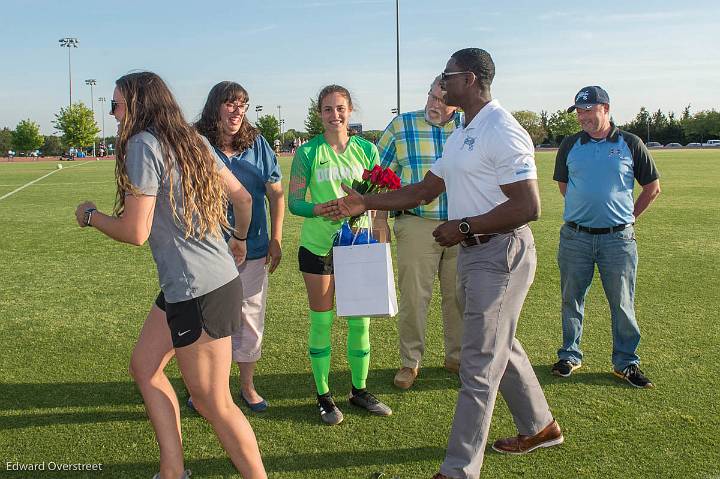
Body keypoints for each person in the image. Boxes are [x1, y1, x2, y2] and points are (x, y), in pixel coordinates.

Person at [326, 49, 562, 479]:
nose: (440, 82)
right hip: (476, 253)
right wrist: (365, 201)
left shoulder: (502, 129)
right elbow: (422, 191)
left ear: (468, 80)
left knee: (477, 365)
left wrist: (465, 227)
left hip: (501, 252)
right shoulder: (462, 133)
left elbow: (529, 206)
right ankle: (540, 426)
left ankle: (458, 470)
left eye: (446, 76)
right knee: (499, 345)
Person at [74, 71, 266, 479]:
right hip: (196, 284)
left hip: (198, 290)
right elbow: (243, 197)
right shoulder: (191, 140)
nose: (113, 114)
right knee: (145, 367)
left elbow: (135, 232)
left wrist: (90, 216)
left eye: (116, 105)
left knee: (214, 402)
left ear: (138, 105)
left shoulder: (143, 144)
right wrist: (240, 240)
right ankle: (173, 471)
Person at [288, 84, 392, 426]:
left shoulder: (367, 150)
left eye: (341, 108)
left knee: (360, 322)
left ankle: (359, 390)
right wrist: (320, 208)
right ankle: (323, 395)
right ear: (320, 114)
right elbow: (294, 202)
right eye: (328, 109)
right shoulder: (308, 153)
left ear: (351, 111)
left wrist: (380, 233)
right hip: (317, 246)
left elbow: (379, 199)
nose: (335, 115)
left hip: (358, 244)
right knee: (322, 320)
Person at [551, 86, 661, 388]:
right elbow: (564, 186)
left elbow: (652, 188)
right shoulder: (570, 144)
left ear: (606, 108)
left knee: (622, 302)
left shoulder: (630, 143)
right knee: (571, 299)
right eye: (579, 111)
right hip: (576, 237)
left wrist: (628, 219)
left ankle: (626, 362)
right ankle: (569, 355)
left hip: (618, 240)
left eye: (589, 110)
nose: (583, 117)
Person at [193, 81, 285, 412]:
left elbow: (276, 194)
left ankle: (246, 386)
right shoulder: (196, 142)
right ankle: (206, 388)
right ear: (215, 106)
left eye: (243, 105)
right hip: (207, 249)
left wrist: (277, 237)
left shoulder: (258, 144)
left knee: (250, 317)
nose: (237, 111)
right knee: (207, 319)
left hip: (254, 248)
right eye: (231, 103)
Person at [376, 76, 463, 389]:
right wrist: (380, 219)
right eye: (431, 97)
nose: (434, 105)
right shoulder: (401, 126)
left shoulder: (471, 126)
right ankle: (410, 362)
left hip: (463, 226)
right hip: (416, 223)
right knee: (414, 298)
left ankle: (457, 357)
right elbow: (381, 176)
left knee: (460, 297)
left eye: (443, 100)